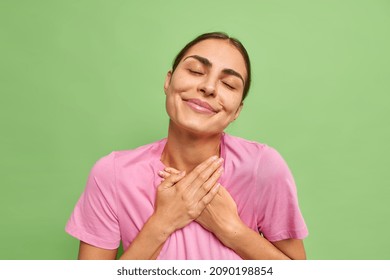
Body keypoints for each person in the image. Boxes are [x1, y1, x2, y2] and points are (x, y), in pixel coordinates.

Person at [65, 32, 308, 260]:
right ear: (168, 81)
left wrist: (231, 229)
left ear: (237, 111)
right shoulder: (113, 174)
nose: (209, 87)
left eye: (229, 85)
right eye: (195, 70)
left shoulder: (262, 167)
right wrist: (163, 222)